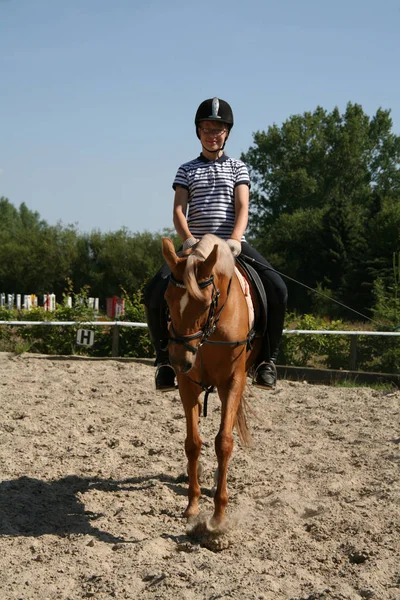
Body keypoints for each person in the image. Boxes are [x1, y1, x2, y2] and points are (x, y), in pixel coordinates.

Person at [143, 97, 288, 391]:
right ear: (198, 132)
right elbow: (178, 211)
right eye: (207, 128)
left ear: (227, 133)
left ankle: (266, 362)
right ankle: (164, 362)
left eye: (218, 129)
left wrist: (235, 239)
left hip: (231, 246)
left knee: (278, 289)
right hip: (195, 246)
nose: (213, 134)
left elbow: (243, 207)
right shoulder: (186, 170)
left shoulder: (238, 168)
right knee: (153, 293)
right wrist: (188, 240)